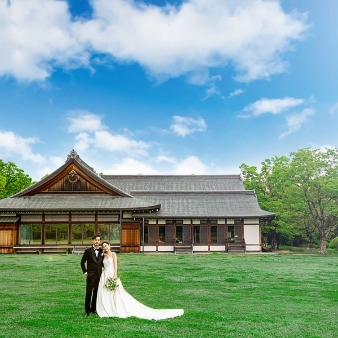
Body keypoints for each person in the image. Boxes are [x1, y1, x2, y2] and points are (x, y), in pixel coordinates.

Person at [96, 241, 184, 320]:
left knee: (116, 292)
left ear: (109, 246)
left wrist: (115, 275)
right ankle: (107, 306)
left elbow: (115, 265)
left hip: (112, 274)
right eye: (103, 246)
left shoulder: (113, 254)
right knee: (106, 291)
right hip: (105, 275)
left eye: (106, 246)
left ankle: (115, 307)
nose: (105, 248)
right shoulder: (103, 256)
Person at [80, 234, 104, 317]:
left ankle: (93, 309)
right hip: (90, 275)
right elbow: (82, 262)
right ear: (92, 241)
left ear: (99, 241)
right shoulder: (88, 251)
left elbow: (103, 263)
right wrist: (85, 272)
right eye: (95, 240)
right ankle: (87, 310)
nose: (96, 241)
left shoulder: (102, 251)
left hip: (99, 275)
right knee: (89, 292)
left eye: (98, 240)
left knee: (96, 292)